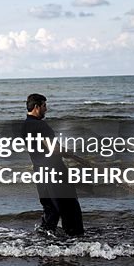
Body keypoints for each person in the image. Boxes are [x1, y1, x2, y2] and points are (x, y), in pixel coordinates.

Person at [24, 93, 84, 236]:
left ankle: (44, 243)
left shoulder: (26, 125)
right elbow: (54, 148)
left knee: (51, 210)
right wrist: (70, 154)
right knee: (70, 209)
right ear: (37, 107)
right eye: (44, 105)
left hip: (40, 173)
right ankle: (77, 242)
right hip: (54, 171)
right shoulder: (40, 125)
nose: (46, 109)